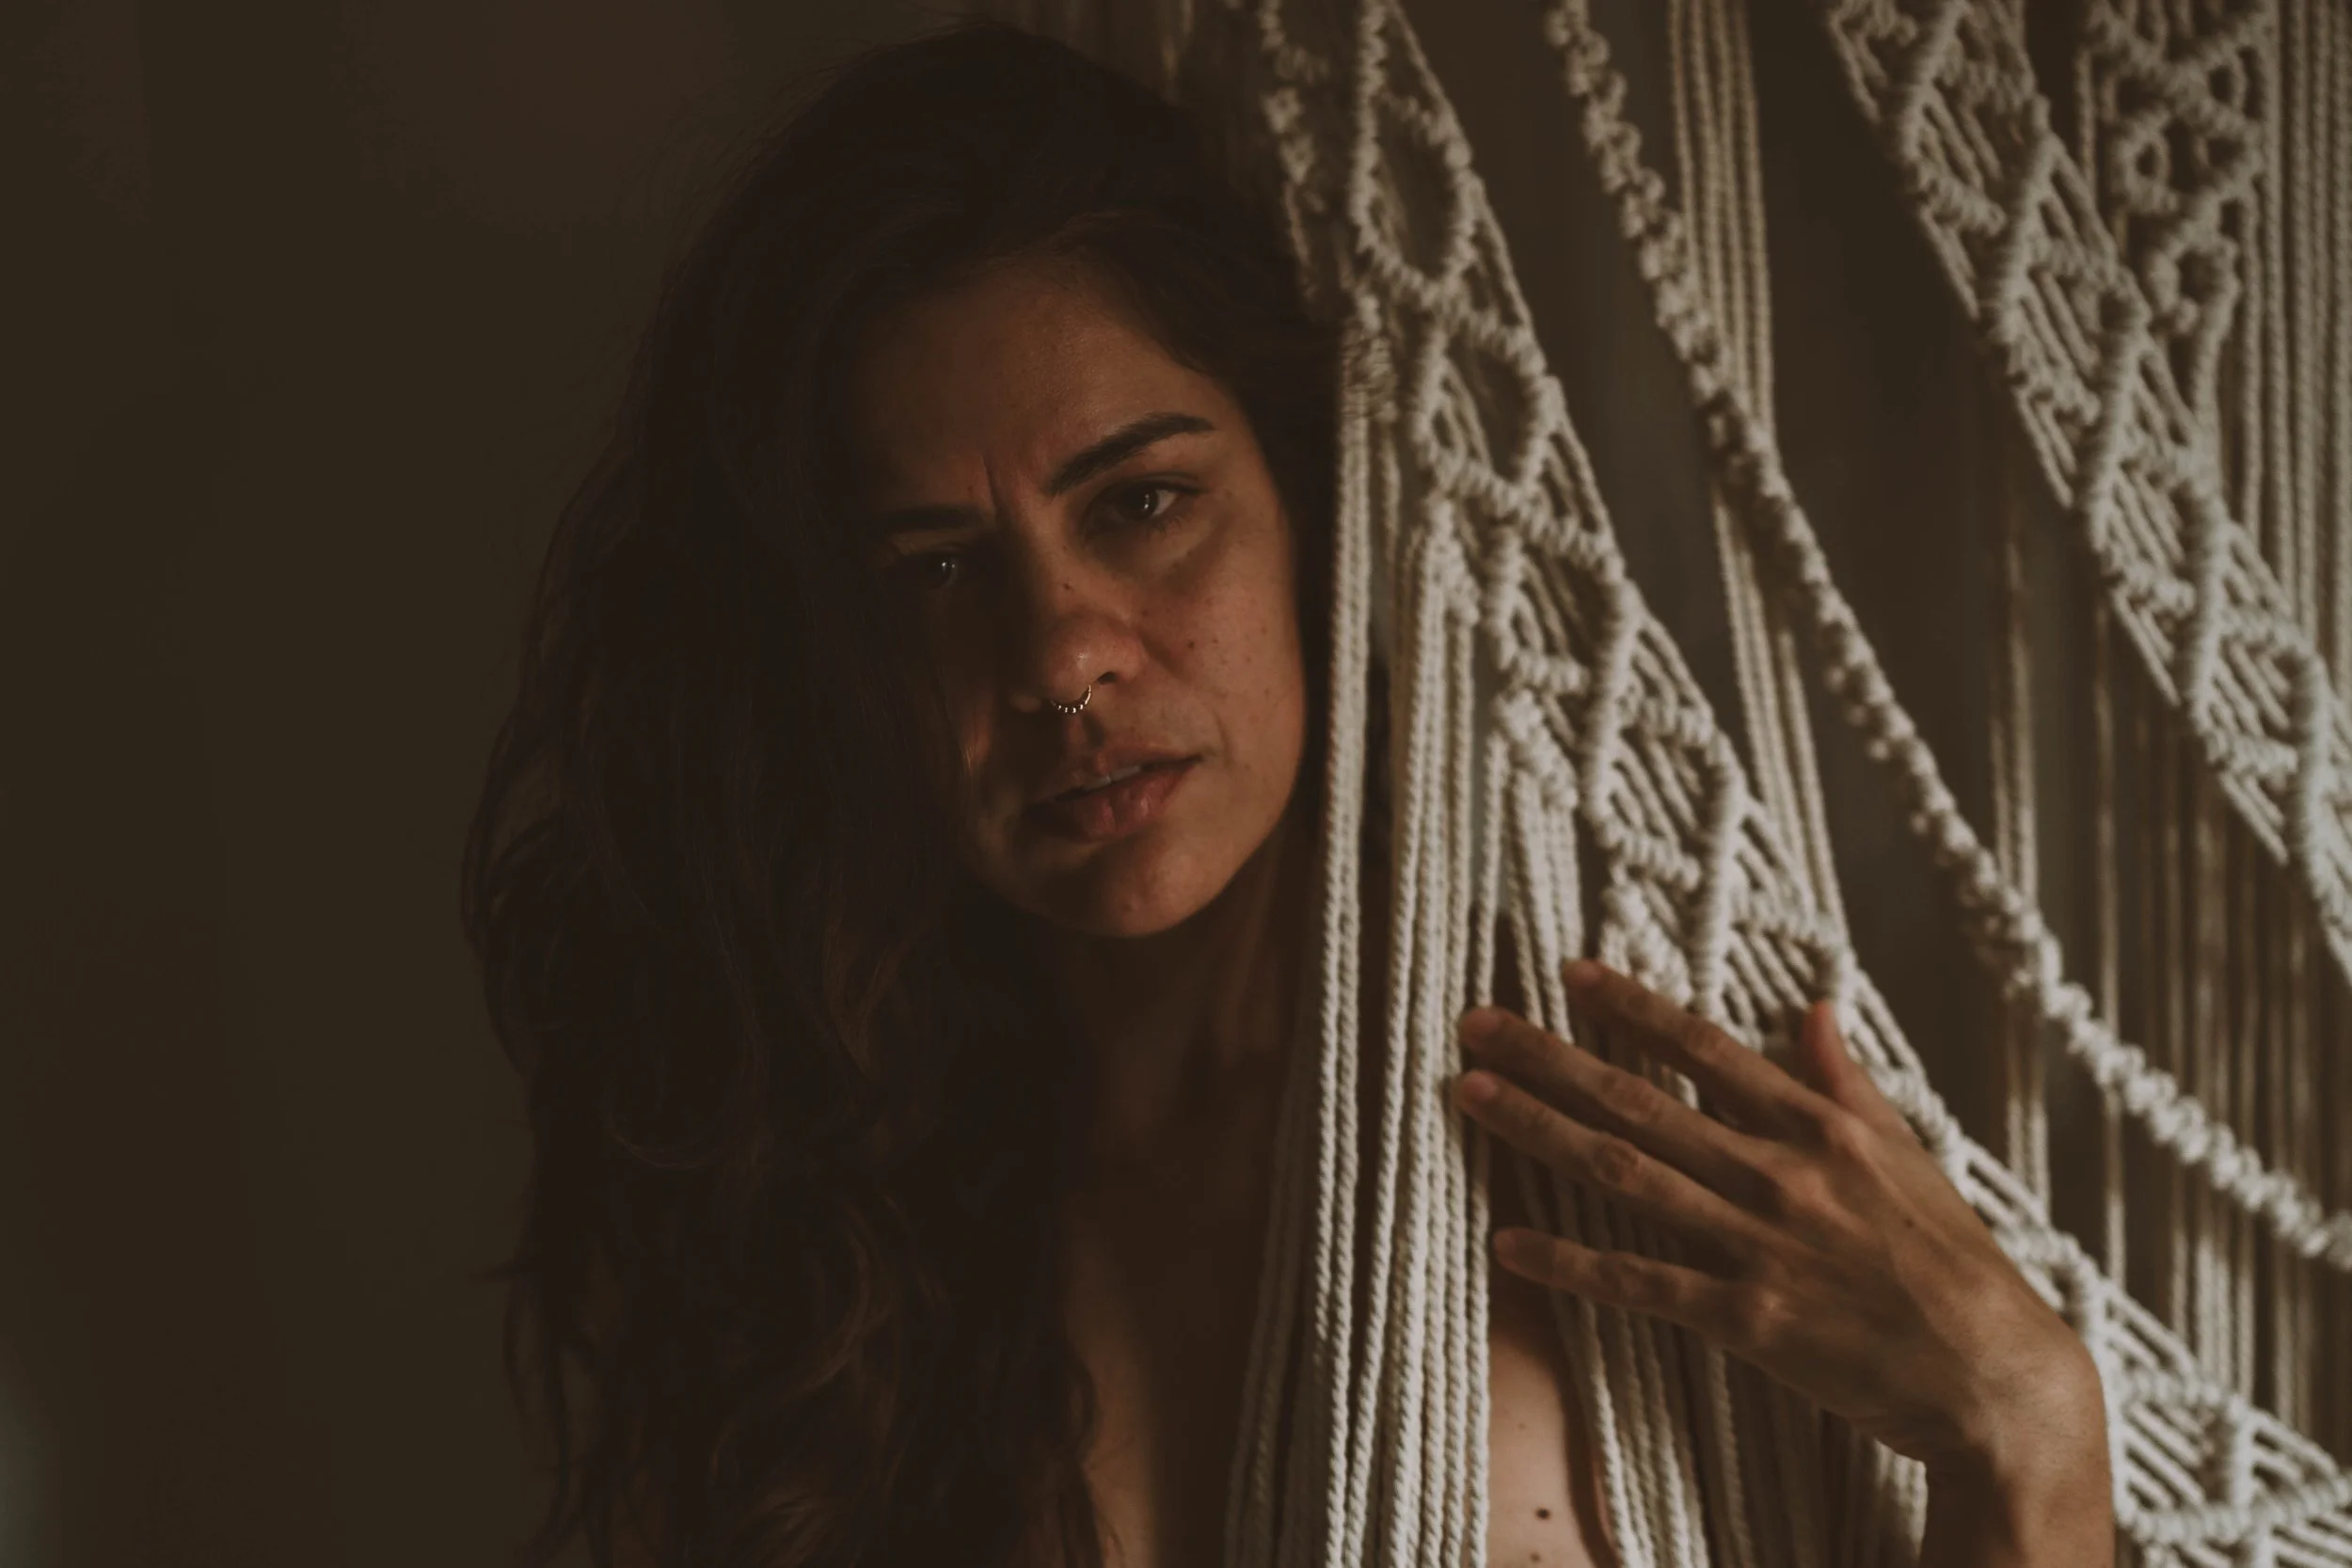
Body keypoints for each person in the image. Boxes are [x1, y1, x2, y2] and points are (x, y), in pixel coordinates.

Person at [462, 22, 2111, 1568]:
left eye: (1144, 503)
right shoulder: (821, 1218)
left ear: (1316, 511)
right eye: (938, 574)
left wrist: (2026, 1430)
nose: (1057, 661)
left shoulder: (1624, 1147)